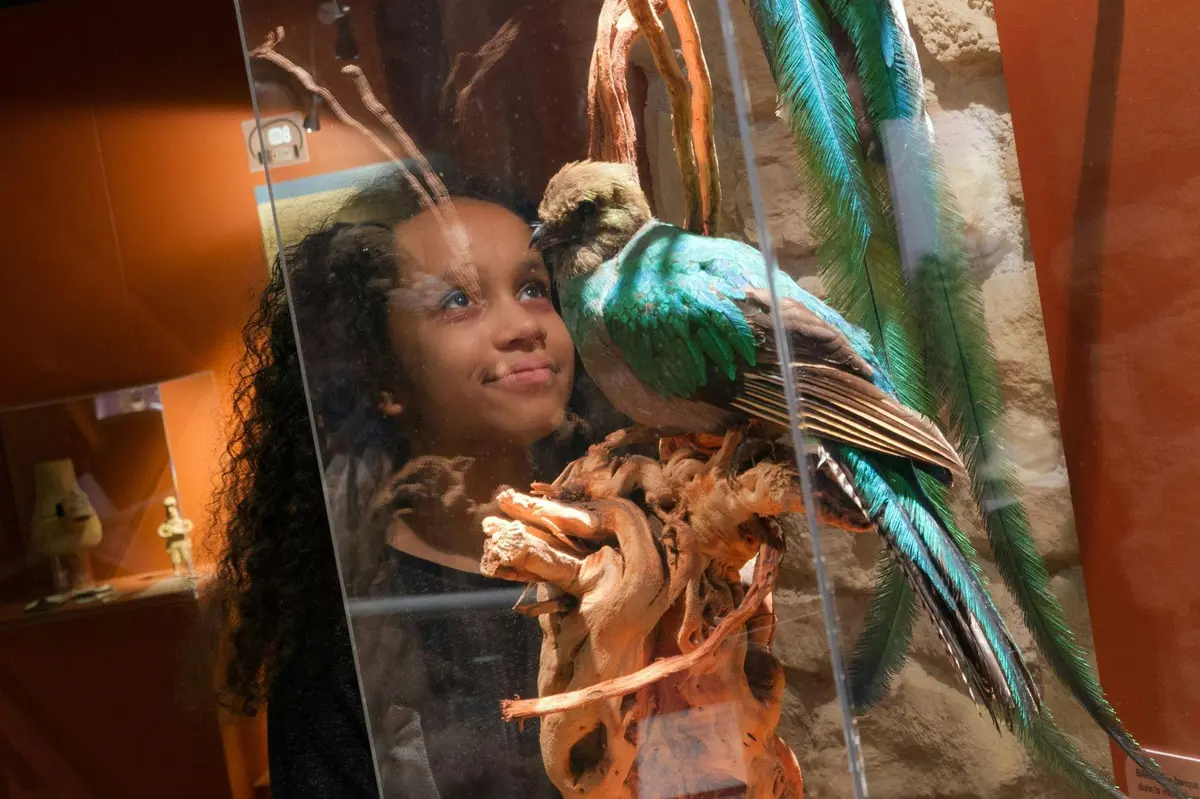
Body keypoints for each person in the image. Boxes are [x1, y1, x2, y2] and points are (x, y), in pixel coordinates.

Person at [207, 170, 617, 798]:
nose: (523, 325)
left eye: (534, 287)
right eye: (459, 301)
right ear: (380, 373)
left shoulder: (628, 540)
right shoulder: (356, 627)